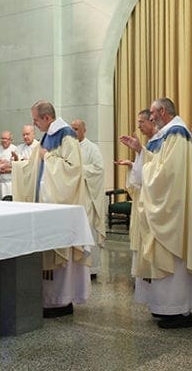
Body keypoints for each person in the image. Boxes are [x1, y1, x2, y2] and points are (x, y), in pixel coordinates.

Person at [119, 98, 192, 329]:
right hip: (164, 206)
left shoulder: (177, 133)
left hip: (172, 210)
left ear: (164, 112)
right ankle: (164, 308)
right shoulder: (165, 134)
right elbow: (157, 164)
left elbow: (168, 173)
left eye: (154, 113)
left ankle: (179, 311)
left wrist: (145, 163)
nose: (151, 118)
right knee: (160, 259)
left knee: (173, 260)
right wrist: (140, 151)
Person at [12, 100, 90, 318]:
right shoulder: (47, 135)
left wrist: (48, 157)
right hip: (46, 204)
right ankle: (48, 300)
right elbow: (33, 166)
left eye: (36, 120)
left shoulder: (66, 135)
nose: (34, 124)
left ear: (47, 118)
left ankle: (62, 302)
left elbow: (73, 170)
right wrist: (15, 167)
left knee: (60, 252)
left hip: (60, 205)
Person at [115, 109, 157, 277]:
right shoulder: (150, 143)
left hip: (153, 200)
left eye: (141, 122)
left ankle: (149, 273)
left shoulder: (161, 141)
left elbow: (158, 169)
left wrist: (140, 150)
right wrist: (134, 162)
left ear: (152, 121)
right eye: (138, 122)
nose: (138, 125)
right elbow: (146, 170)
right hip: (143, 198)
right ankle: (141, 272)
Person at [71, 119, 106, 277]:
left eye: (76, 129)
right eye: (72, 129)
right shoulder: (68, 148)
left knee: (88, 231)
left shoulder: (92, 148)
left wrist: (78, 170)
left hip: (87, 196)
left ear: (84, 130)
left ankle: (91, 269)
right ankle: (76, 266)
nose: (73, 132)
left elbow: (98, 169)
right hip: (72, 197)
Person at [0, 130, 19, 200]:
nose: (4, 141)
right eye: (2, 139)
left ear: (11, 140)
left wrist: (7, 169)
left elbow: (17, 167)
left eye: (6, 139)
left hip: (10, 184)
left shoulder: (15, 149)